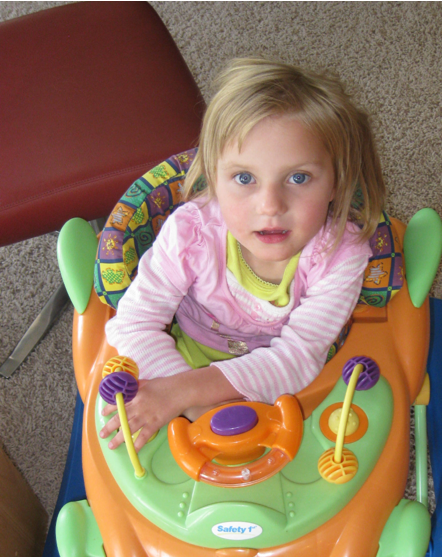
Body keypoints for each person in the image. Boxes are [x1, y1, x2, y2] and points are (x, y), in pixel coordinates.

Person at [100, 57, 386, 452]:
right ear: (213, 177)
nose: (270, 206)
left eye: (298, 177)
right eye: (244, 178)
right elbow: (133, 325)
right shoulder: (191, 234)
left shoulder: (340, 254)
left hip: (282, 379)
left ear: (337, 181)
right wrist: (187, 401)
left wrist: (184, 396)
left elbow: (297, 357)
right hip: (180, 358)